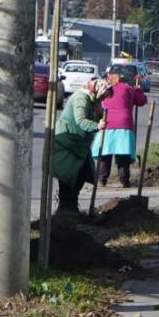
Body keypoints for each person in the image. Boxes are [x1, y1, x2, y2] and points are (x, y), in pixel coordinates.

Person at [52, 79, 112, 216]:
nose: (103, 99)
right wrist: (96, 126)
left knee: (84, 173)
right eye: (103, 96)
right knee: (68, 175)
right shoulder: (81, 98)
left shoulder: (92, 100)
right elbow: (80, 121)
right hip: (67, 142)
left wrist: (100, 113)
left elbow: (95, 115)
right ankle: (65, 208)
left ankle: (72, 204)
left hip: (79, 145)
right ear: (97, 90)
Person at [92, 71, 149, 188]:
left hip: (106, 123)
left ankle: (102, 180)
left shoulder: (104, 89)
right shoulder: (128, 89)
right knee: (123, 155)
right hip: (124, 124)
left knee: (104, 154)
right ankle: (124, 181)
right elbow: (142, 101)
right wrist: (138, 90)